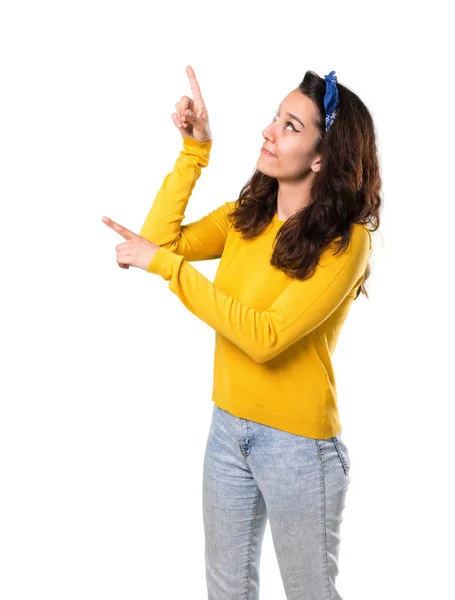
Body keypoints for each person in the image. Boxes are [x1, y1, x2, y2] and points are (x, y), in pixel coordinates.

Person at [103, 64, 382, 600]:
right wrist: (194, 153)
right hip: (227, 432)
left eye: (292, 127)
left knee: (310, 594)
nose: (269, 131)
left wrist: (165, 267)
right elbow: (162, 241)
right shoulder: (246, 215)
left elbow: (265, 337)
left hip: (299, 450)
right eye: (275, 118)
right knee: (226, 592)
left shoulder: (345, 243)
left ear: (323, 157)